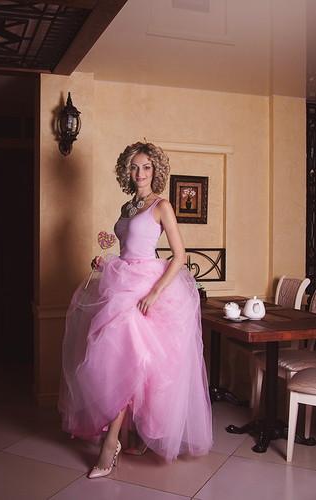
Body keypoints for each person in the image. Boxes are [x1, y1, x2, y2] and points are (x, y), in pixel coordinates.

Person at [58, 142, 213, 479]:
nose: (140, 173)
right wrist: (104, 263)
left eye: (146, 167)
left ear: (155, 171)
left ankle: (109, 444)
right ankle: (130, 438)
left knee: (133, 363)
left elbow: (180, 256)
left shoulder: (162, 205)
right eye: (134, 167)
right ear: (126, 171)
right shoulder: (127, 207)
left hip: (147, 289)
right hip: (121, 283)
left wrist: (155, 293)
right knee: (118, 362)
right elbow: (128, 249)